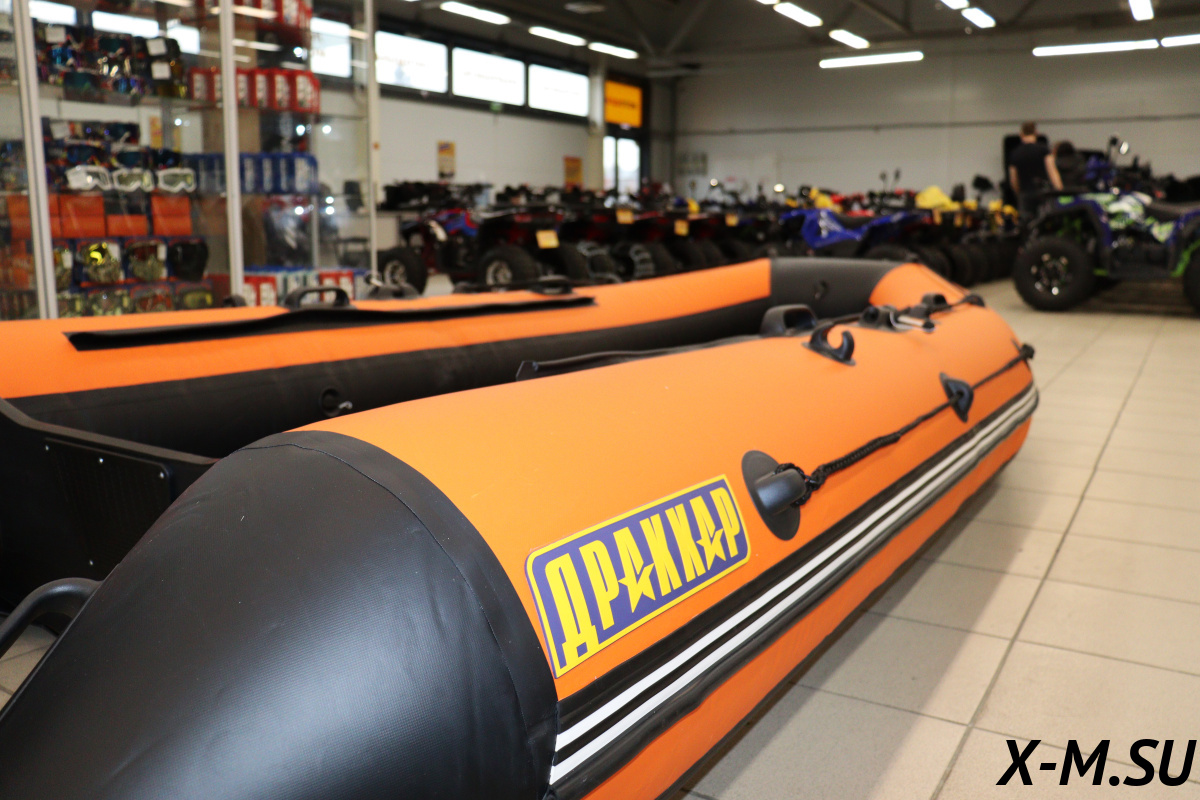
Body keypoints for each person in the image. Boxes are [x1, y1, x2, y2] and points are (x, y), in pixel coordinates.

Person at [1008, 121, 1062, 220]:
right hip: (1043, 193)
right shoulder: (1044, 150)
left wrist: (1019, 194)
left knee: (1027, 223)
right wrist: (1060, 190)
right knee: (1046, 221)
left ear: (1021, 134)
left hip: (1025, 194)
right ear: (1036, 133)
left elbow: (1013, 180)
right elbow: (1053, 172)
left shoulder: (1015, 153)